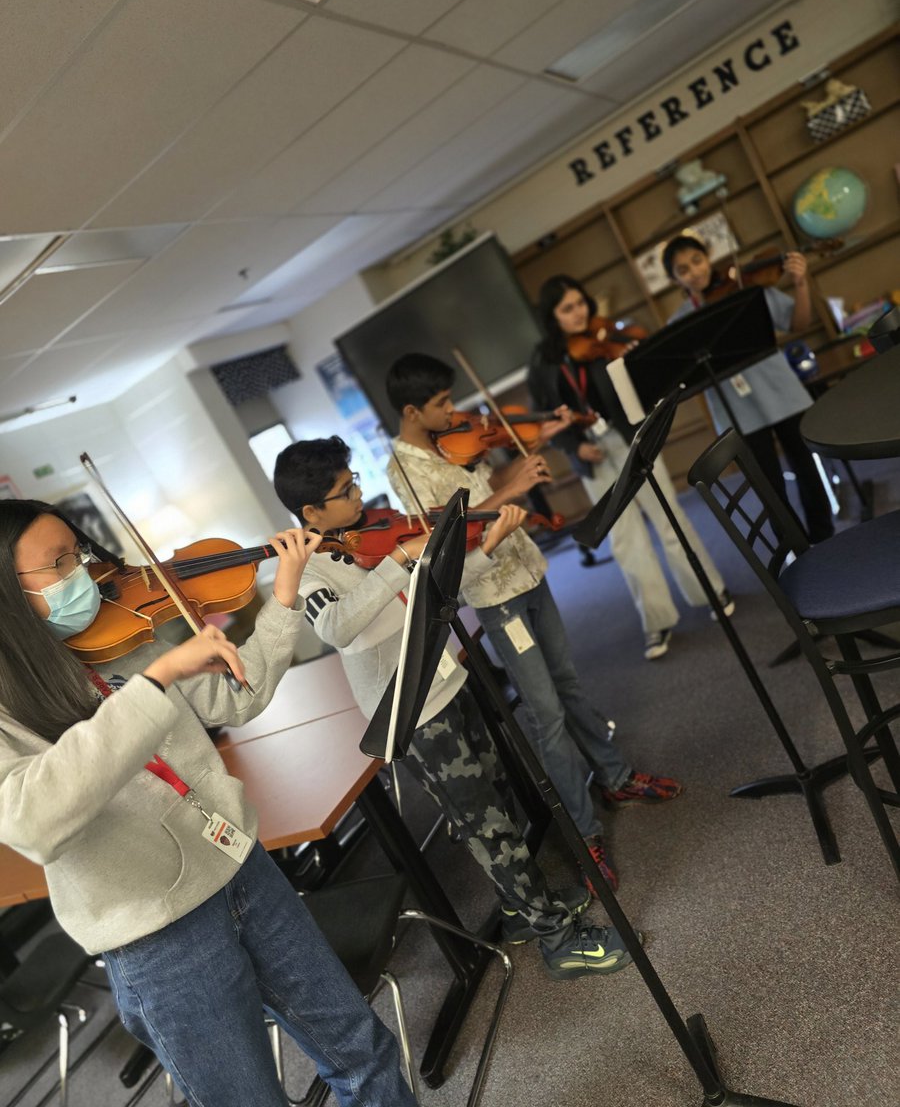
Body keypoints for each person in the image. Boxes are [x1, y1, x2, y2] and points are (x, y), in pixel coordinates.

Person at [0, 499, 418, 1107]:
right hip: (159, 937)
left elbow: (235, 699)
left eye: (79, 553)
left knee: (361, 1048)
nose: (83, 573)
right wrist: (152, 685)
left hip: (242, 870)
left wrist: (284, 599)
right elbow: (32, 819)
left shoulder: (118, 638)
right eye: (58, 563)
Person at [272, 437, 637, 981]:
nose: (358, 494)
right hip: (412, 711)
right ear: (311, 513)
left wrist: (487, 546)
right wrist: (398, 562)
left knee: (497, 803)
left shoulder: (371, 529)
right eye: (344, 490)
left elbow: (439, 584)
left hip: (449, 680)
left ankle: (519, 908)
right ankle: (558, 941)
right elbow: (340, 629)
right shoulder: (305, 571)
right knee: (486, 824)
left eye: (353, 481)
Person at [383, 353, 684, 891]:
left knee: (568, 683)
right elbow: (449, 535)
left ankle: (614, 778)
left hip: (529, 571)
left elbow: (484, 481)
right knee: (545, 712)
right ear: (411, 410)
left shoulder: (450, 439)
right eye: (441, 404)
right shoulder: (403, 472)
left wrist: (523, 462)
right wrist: (509, 492)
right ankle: (585, 833)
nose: (454, 412)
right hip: (494, 593)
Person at [529, 275, 734, 661]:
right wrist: (575, 446)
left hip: (633, 436)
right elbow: (546, 419)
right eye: (567, 309)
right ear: (552, 317)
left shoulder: (608, 337)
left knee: (670, 517)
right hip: (594, 454)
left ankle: (710, 589)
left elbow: (643, 385)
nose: (579, 313)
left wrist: (634, 357)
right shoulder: (542, 362)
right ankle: (656, 621)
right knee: (625, 540)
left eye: (581, 303)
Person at [660, 234, 834, 543]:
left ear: (708, 257)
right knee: (769, 488)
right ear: (675, 280)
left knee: (808, 470)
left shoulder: (746, 287)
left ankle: (825, 537)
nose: (695, 272)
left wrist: (800, 282)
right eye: (683, 269)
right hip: (738, 411)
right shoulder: (680, 322)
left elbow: (799, 323)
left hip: (782, 392)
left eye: (697, 261)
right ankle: (798, 549)